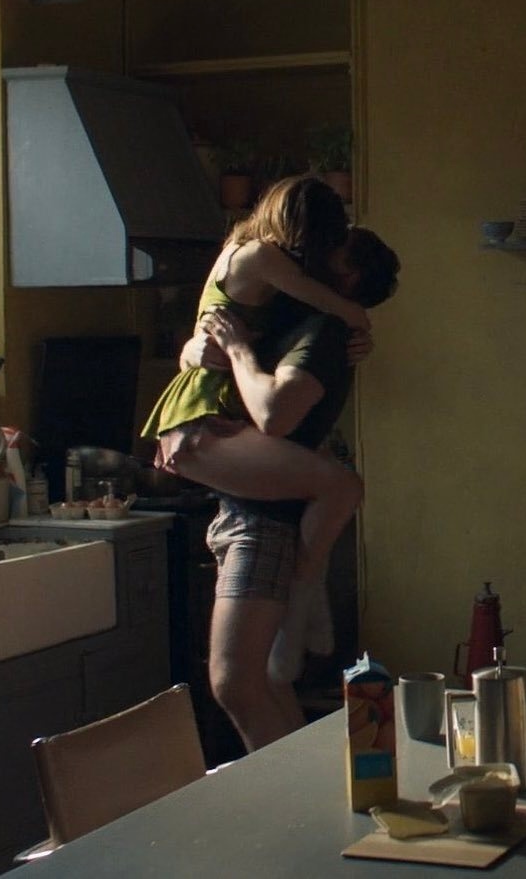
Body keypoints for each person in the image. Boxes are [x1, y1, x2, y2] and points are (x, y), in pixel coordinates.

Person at [141, 176, 375, 675]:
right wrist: (357, 325)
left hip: (215, 411)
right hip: (200, 416)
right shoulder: (259, 255)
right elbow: (341, 308)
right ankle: (301, 609)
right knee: (340, 486)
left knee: (331, 488)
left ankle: (304, 608)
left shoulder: (261, 268)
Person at [181, 226, 400, 751]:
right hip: (249, 509)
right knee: (263, 681)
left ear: (348, 275)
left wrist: (237, 350)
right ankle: (308, 788)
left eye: (331, 247)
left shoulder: (324, 332)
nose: (308, 254)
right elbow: (203, 351)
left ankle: (296, 795)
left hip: (266, 518)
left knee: (236, 683)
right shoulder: (296, 316)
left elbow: (274, 414)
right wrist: (197, 350)